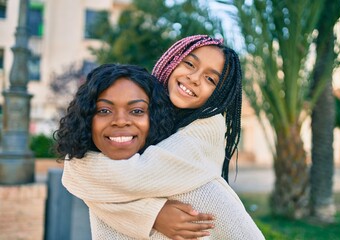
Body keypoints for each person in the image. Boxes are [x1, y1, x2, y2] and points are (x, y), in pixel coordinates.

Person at [60, 35, 265, 239]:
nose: (194, 78)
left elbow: (129, 178)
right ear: (172, 60)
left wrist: (148, 215)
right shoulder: (149, 114)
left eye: (210, 79)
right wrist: (153, 215)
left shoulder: (206, 131)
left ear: (218, 94)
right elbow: (88, 176)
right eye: (189, 64)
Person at [56, 63, 215, 239]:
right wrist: (152, 216)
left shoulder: (200, 189)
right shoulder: (94, 183)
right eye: (104, 110)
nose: (121, 121)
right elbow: (74, 171)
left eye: (137, 111)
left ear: (154, 117)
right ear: (87, 120)